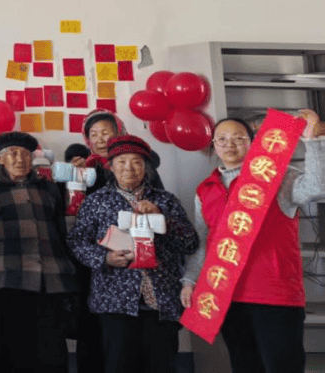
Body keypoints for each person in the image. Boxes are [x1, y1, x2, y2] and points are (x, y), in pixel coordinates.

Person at [180, 113, 325, 373]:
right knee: (245, 366)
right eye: (222, 139)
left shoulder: (277, 177)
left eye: (239, 138)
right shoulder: (205, 189)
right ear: (213, 145)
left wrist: (313, 142)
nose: (229, 144)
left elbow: (318, 187)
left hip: (275, 295)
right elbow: (202, 241)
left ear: (252, 142)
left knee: (283, 367)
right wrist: (190, 280)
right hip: (227, 295)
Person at [69, 135, 198, 373]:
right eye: (121, 162)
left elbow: (190, 243)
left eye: (136, 162)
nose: (128, 167)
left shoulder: (166, 200)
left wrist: (162, 218)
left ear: (146, 168)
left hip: (161, 301)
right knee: (119, 365)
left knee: (162, 366)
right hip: (114, 302)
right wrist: (104, 258)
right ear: (111, 167)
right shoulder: (96, 201)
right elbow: (77, 242)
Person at [0, 131, 79, 373]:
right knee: (15, 348)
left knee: (53, 349)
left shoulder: (49, 187)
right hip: (9, 278)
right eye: (12, 153)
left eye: (25, 154)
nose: (20, 159)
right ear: (0, 159)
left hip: (51, 279)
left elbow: (61, 232)